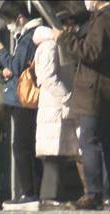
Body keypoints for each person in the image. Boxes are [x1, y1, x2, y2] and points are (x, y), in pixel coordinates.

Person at [53, 0, 110, 210]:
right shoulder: (108, 18)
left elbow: (91, 52)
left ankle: (94, 193)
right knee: (104, 142)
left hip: (95, 91)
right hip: (102, 91)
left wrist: (66, 38)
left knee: (90, 141)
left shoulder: (106, 19)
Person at [0, 1, 43, 209]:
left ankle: (29, 193)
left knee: (21, 146)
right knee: (26, 146)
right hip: (20, 100)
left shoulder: (29, 37)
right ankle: (31, 192)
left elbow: (17, 66)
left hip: (24, 102)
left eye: (9, 22)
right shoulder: (25, 36)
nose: (8, 27)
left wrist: (1, 51)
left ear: (20, 18)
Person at [32, 25, 78, 203]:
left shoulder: (58, 44)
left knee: (59, 152)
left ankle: (56, 195)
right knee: (53, 152)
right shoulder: (50, 45)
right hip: (55, 104)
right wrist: (67, 95)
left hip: (59, 105)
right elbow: (48, 77)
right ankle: (50, 195)